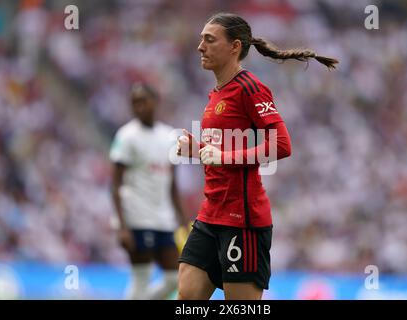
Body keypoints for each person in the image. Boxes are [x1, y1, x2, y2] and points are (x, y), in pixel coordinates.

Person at [176, 12, 338, 300]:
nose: (200, 46)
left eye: (209, 40)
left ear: (234, 46)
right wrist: (197, 150)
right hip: (210, 215)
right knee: (186, 298)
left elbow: (282, 144)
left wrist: (221, 156)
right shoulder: (216, 93)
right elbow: (220, 150)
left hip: (243, 221)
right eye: (201, 39)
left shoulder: (250, 88)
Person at [110, 83, 187, 300]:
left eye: (143, 101)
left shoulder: (169, 136)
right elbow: (115, 184)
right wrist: (122, 226)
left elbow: (172, 184)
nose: (139, 107)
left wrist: (182, 220)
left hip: (163, 219)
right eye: (134, 103)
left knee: (176, 278)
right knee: (141, 277)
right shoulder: (126, 136)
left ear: (156, 102)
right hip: (137, 218)